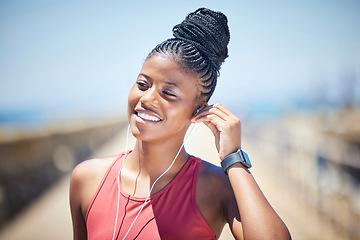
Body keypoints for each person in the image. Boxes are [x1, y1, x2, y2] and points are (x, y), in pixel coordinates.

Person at [70, 8, 291, 240]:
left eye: (168, 93)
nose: (146, 99)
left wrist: (233, 158)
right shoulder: (87, 179)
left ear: (198, 110)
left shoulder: (214, 187)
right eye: (143, 85)